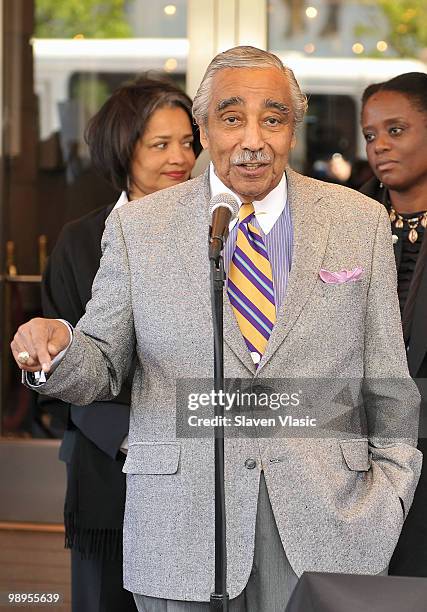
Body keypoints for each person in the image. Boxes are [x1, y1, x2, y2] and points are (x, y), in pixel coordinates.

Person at [12, 47, 422, 611]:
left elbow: (389, 386)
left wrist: (387, 501)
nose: (253, 139)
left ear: (293, 129)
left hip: (326, 529)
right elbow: (103, 362)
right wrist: (59, 349)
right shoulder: (140, 225)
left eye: (272, 119)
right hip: (179, 528)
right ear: (203, 128)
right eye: (232, 118)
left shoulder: (358, 220)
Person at [39, 75, 200, 612]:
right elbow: (61, 367)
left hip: (201, 471)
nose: (181, 157)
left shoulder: (218, 232)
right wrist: (141, 440)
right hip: (111, 470)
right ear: (121, 150)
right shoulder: (81, 241)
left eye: (187, 140)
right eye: (160, 144)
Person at [360, 71, 427, 577]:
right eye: (370, 135)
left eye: (396, 130)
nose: (380, 145)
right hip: (355, 458)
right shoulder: (347, 222)